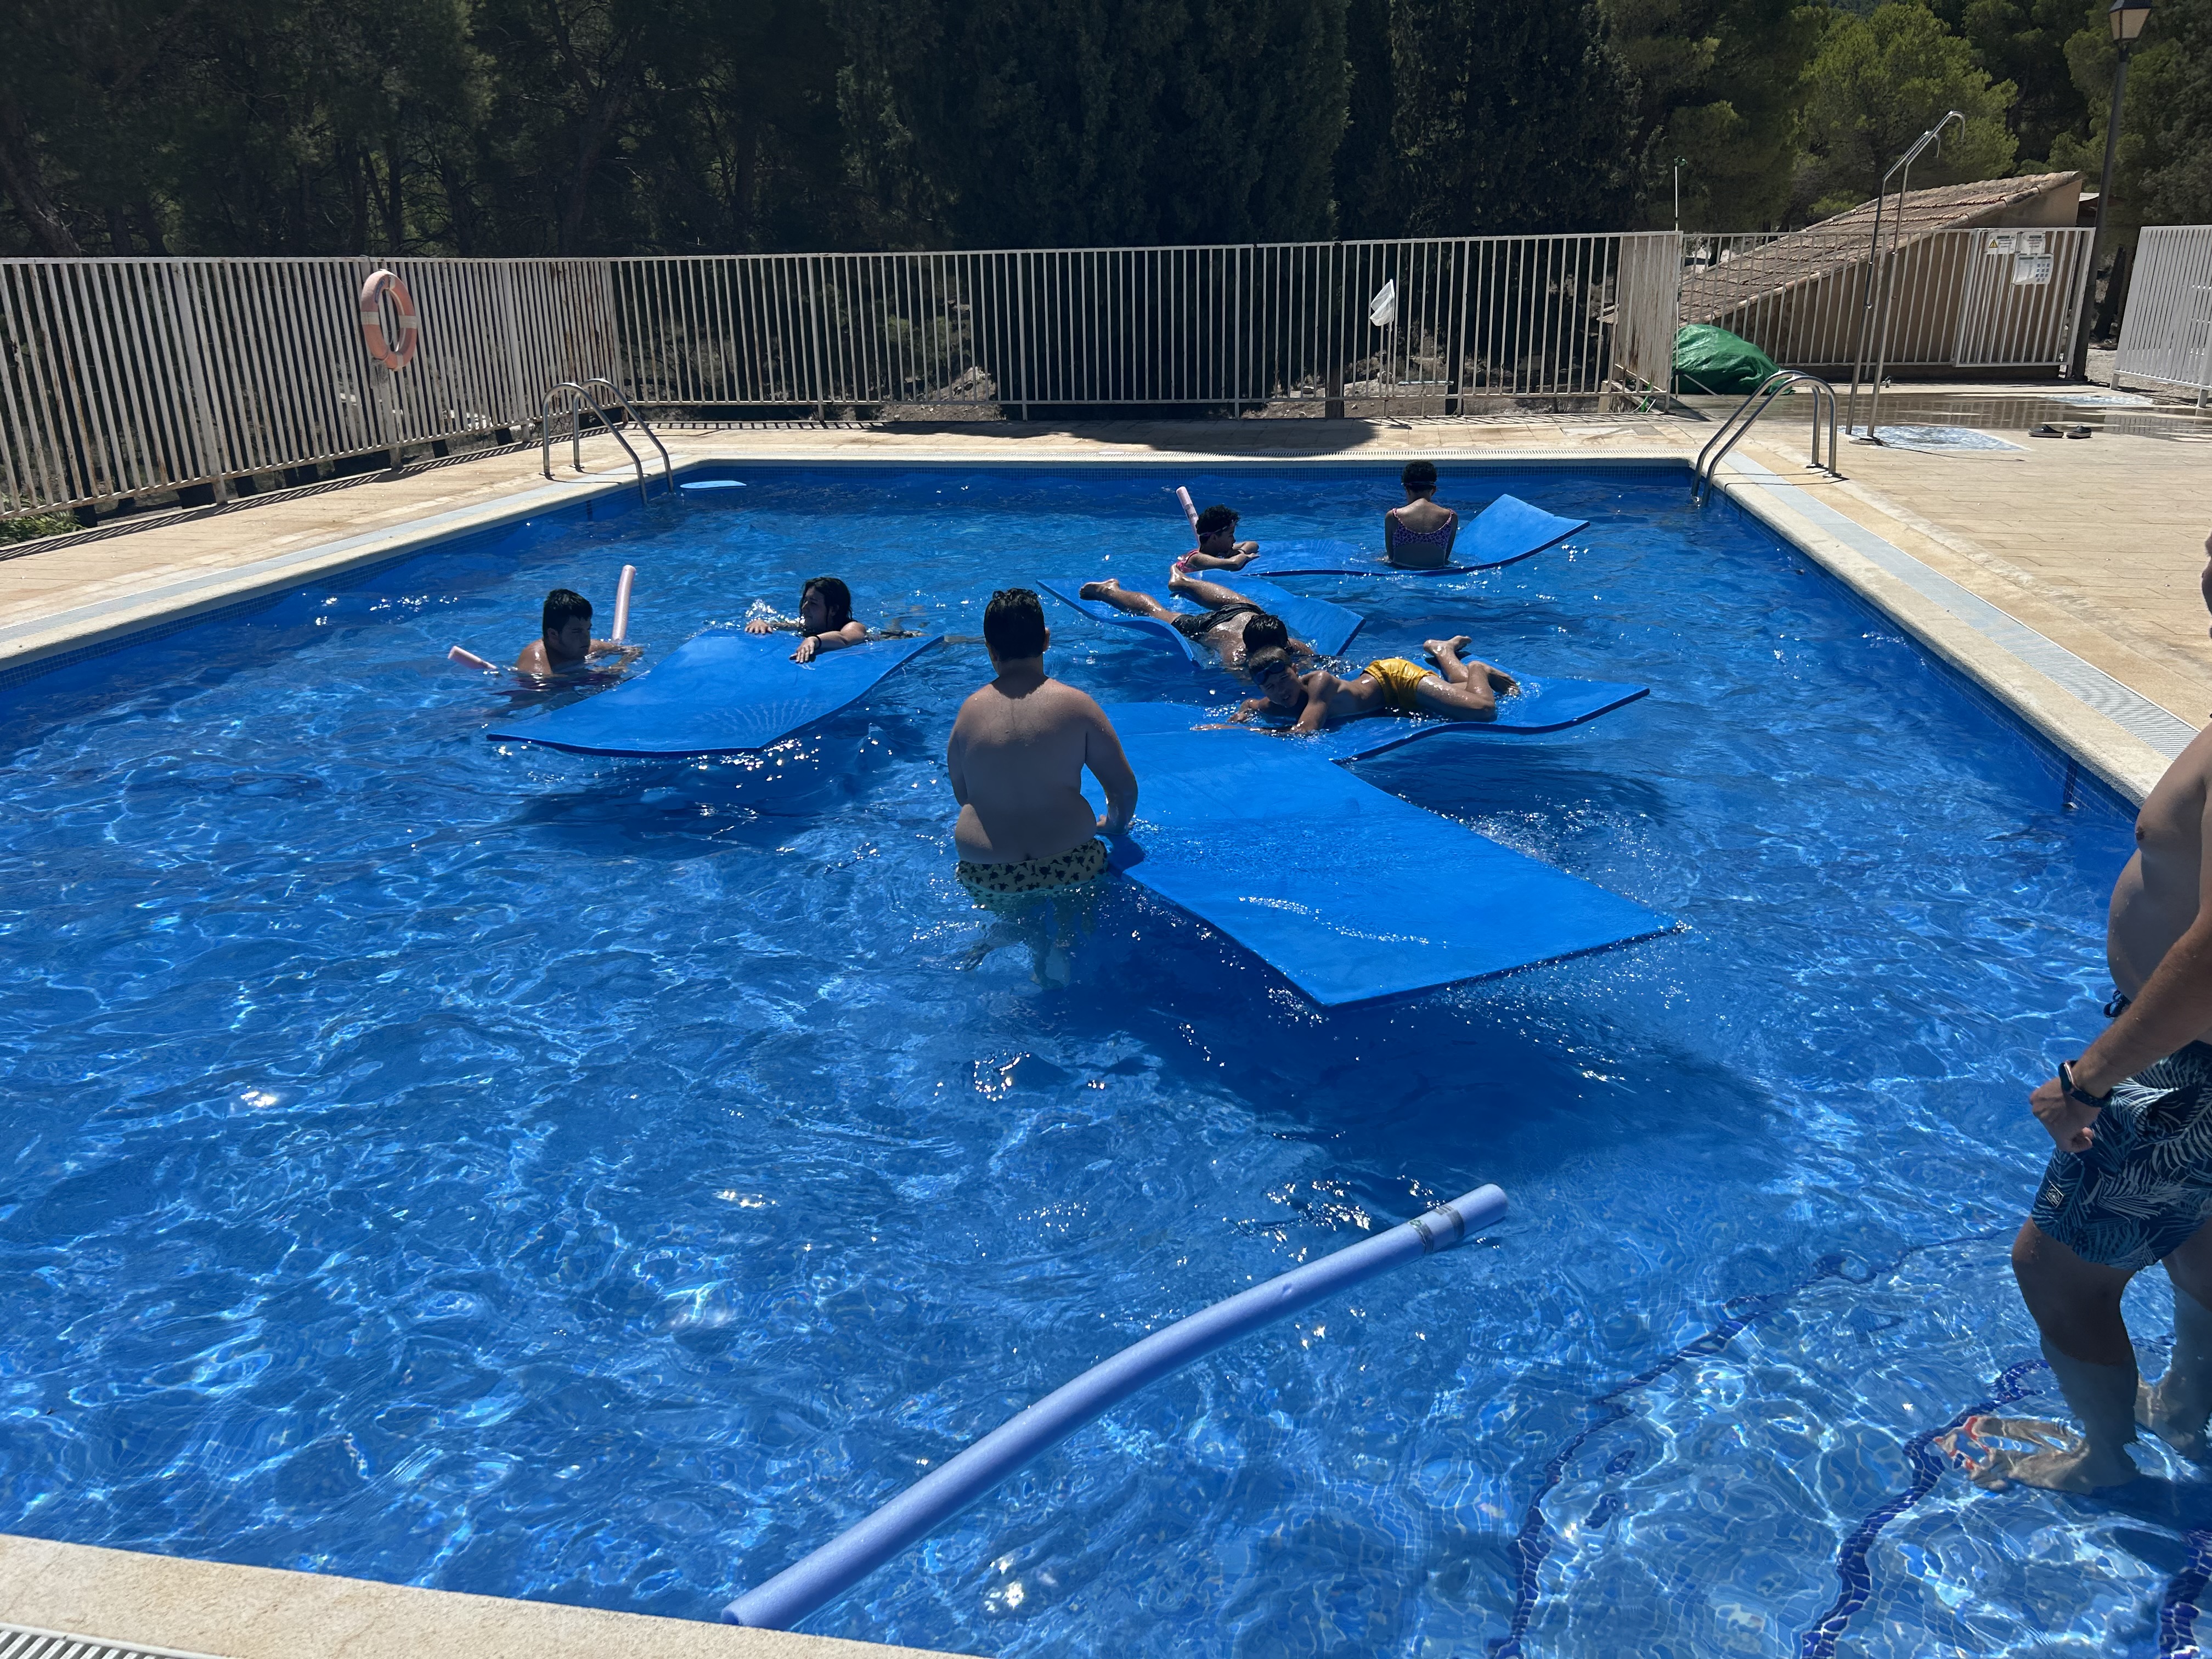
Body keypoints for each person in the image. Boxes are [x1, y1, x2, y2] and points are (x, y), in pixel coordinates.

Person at [1947, 531, 2212, 1494]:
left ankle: (2104, 1464)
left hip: (2187, 1060)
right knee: (2199, 1234)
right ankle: (2185, 1407)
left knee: (2057, 1271)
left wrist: (2086, 1078)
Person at [947, 589, 1138, 985]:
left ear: (989, 650)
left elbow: (964, 795)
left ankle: (1016, 935)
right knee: (1073, 915)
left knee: (1018, 914)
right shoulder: (1076, 705)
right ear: (1047, 639)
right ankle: (1062, 946)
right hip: (1068, 864)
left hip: (989, 873)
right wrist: (1115, 826)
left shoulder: (968, 713)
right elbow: (1122, 787)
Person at [1232, 636, 1517, 732]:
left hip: (1394, 679)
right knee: (1461, 693)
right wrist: (1245, 713)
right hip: (1388, 697)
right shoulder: (1274, 702)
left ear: (1296, 670)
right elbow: (1251, 704)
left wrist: (1238, 732)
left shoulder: (1320, 682)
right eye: (1271, 688)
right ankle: (1444, 651)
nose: (1282, 691)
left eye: (1285, 680)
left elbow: (1305, 732)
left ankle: (1478, 668)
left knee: (1481, 709)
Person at [1077, 572, 1308, 669]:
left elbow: (1314, 659)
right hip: (1213, 626)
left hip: (1247, 613)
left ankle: (1183, 581)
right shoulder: (1236, 656)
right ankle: (1109, 591)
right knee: (1157, 613)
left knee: (1254, 608)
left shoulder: (1288, 644)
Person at [514, 588, 644, 675]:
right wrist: (598, 676)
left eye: (588, 629)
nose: (586, 638)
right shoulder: (536, 660)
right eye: (577, 632)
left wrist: (620, 665)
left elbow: (634, 650)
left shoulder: (590, 647)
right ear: (553, 635)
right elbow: (543, 688)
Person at [744, 575, 869, 662]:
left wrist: (814, 640)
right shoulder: (806, 625)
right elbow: (776, 625)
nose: (804, 608)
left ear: (834, 610)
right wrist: (761, 623)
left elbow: (845, 639)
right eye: (805, 601)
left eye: (813, 603)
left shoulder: (853, 627)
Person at [1384, 461, 1459, 569]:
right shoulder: (1451, 517)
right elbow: (1445, 559)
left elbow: (1391, 558)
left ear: (1407, 489)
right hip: (1437, 575)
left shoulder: (1394, 517)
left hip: (1402, 575)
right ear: (1433, 490)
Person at [1172, 504, 1260, 574]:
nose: (1234, 540)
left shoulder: (1217, 551)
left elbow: (1253, 545)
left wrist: (1240, 551)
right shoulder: (1197, 558)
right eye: (1230, 535)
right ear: (1214, 537)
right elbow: (1234, 564)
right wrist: (1243, 556)